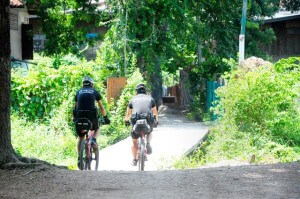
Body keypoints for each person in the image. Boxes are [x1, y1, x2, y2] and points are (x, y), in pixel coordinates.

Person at [74, 76, 110, 167]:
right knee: (97, 128)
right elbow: (101, 108)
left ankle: (79, 157)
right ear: (91, 84)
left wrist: (75, 118)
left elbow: (75, 108)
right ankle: (93, 140)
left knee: (81, 137)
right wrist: (105, 117)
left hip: (80, 116)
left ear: (83, 84)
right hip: (91, 117)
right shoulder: (94, 92)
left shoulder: (78, 92)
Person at [124, 83, 159, 166]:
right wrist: (156, 121)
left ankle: (134, 160)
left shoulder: (132, 99)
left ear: (136, 92)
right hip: (148, 118)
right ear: (145, 92)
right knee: (150, 131)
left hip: (136, 119)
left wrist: (126, 121)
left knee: (134, 142)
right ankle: (148, 143)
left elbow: (128, 114)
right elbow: (155, 113)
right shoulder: (150, 99)